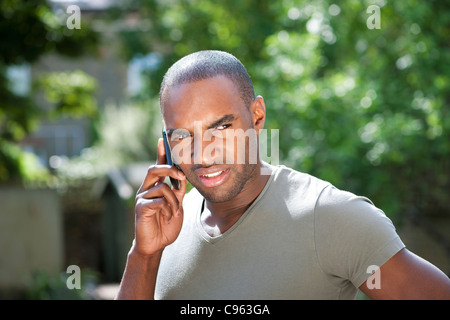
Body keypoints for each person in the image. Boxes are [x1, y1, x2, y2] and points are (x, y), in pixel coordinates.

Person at [116, 50, 450, 300]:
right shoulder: (165, 227)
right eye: (182, 136)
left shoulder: (329, 216)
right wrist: (143, 256)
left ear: (257, 116)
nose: (203, 153)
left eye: (221, 127)